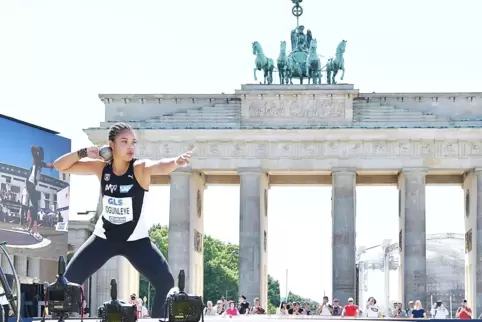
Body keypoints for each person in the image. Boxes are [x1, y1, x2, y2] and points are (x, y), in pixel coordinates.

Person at [53, 123, 192, 318]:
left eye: (133, 142)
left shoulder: (139, 168)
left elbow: (160, 165)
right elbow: (59, 165)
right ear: (111, 145)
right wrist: (84, 152)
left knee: (166, 283)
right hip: (103, 239)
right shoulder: (101, 167)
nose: (130, 147)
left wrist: (176, 162)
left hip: (137, 241)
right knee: (66, 283)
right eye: (124, 142)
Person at [27, 146, 54, 240]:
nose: (42, 156)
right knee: (35, 207)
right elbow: (32, 148)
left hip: (32, 186)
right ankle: (36, 232)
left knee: (33, 207)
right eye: (41, 154)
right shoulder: (35, 159)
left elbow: (50, 165)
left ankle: (29, 228)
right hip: (30, 184)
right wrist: (38, 150)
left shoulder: (41, 163)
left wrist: (55, 165)